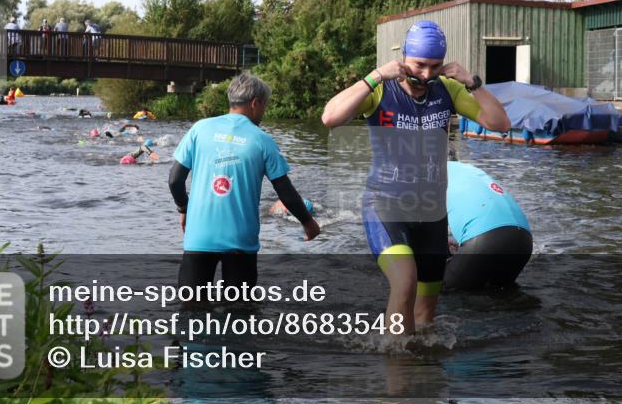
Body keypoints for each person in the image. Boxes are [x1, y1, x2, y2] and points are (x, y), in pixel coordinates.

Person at [321, 20, 510, 335]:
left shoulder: (447, 90)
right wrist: (375, 76)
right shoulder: (381, 90)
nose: (426, 74)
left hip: (432, 215)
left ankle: (422, 374)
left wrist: (472, 82)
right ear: (404, 58)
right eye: (419, 65)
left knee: (425, 317)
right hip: (385, 205)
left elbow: (500, 123)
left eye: (434, 66)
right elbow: (330, 117)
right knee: (404, 282)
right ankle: (396, 368)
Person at [169, 72, 320, 297]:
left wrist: (184, 209)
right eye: (264, 107)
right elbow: (285, 192)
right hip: (240, 241)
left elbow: (175, 180)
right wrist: (308, 222)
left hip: (199, 237)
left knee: (191, 311)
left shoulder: (200, 129)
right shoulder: (262, 140)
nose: (264, 113)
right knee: (240, 315)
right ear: (254, 103)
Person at [444, 160, 533, 291]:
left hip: (486, 239)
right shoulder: (465, 168)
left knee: (441, 290)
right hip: (524, 239)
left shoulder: (426, 176)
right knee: (501, 295)